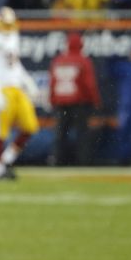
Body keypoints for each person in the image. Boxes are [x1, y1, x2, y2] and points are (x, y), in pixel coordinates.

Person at [0, 6, 40, 180]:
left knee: (30, 126)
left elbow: (15, 64)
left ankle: (5, 161)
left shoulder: (14, 37)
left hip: (16, 88)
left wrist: (28, 82)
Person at [48, 32, 100, 167]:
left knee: (60, 135)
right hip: (79, 103)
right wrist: (94, 100)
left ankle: (57, 160)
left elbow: (52, 83)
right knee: (82, 134)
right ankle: (83, 162)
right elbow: (89, 84)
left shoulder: (58, 60)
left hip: (61, 104)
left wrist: (52, 100)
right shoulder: (83, 61)